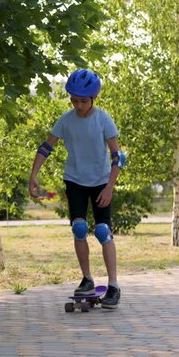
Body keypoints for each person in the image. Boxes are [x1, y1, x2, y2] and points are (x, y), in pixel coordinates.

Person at [29, 69, 126, 309]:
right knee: (79, 228)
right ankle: (87, 279)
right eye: (74, 100)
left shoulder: (103, 119)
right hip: (75, 180)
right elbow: (46, 147)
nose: (78, 105)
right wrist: (33, 175)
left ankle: (113, 285)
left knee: (103, 231)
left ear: (94, 98)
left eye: (83, 100)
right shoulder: (66, 120)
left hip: (102, 181)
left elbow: (118, 156)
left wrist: (110, 187)